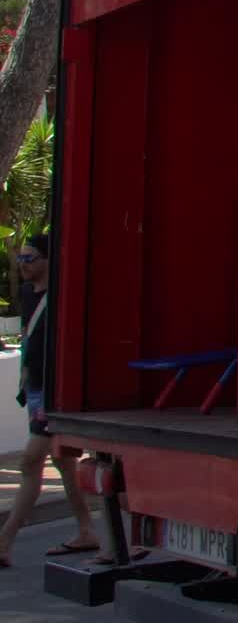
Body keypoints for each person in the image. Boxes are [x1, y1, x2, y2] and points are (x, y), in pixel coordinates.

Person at [0, 234, 99, 566]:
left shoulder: (60, 298)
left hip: (54, 393)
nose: (24, 265)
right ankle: (87, 529)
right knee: (64, 463)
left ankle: (4, 540)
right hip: (36, 389)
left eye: (30, 259)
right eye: (21, 259)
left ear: (46, 261)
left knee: (31, 460)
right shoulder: (27, 295)